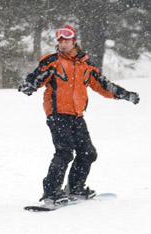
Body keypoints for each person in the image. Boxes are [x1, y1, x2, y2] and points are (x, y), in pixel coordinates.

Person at [18, 25, 140, 205]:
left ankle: (75, 188)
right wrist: (29, 86)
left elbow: (103, 85)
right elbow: (37, 77)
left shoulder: (86, 65)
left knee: (88, 153)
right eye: (60, 42)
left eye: (67, 41)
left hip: (76, 114)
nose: (63, 45)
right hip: (58, 113)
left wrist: (124, 94)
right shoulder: (53, 61)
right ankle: (51, 192)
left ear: (74, 41)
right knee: (64, 152)